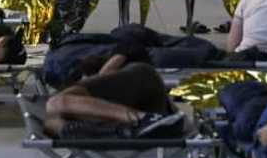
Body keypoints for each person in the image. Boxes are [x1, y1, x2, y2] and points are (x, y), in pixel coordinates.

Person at [42, 59, 185, 139]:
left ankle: (142, 119)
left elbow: (123, 53)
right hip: (134, 115)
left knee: (55, 105)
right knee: (53, 115)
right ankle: (140, 120)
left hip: (144, 88)